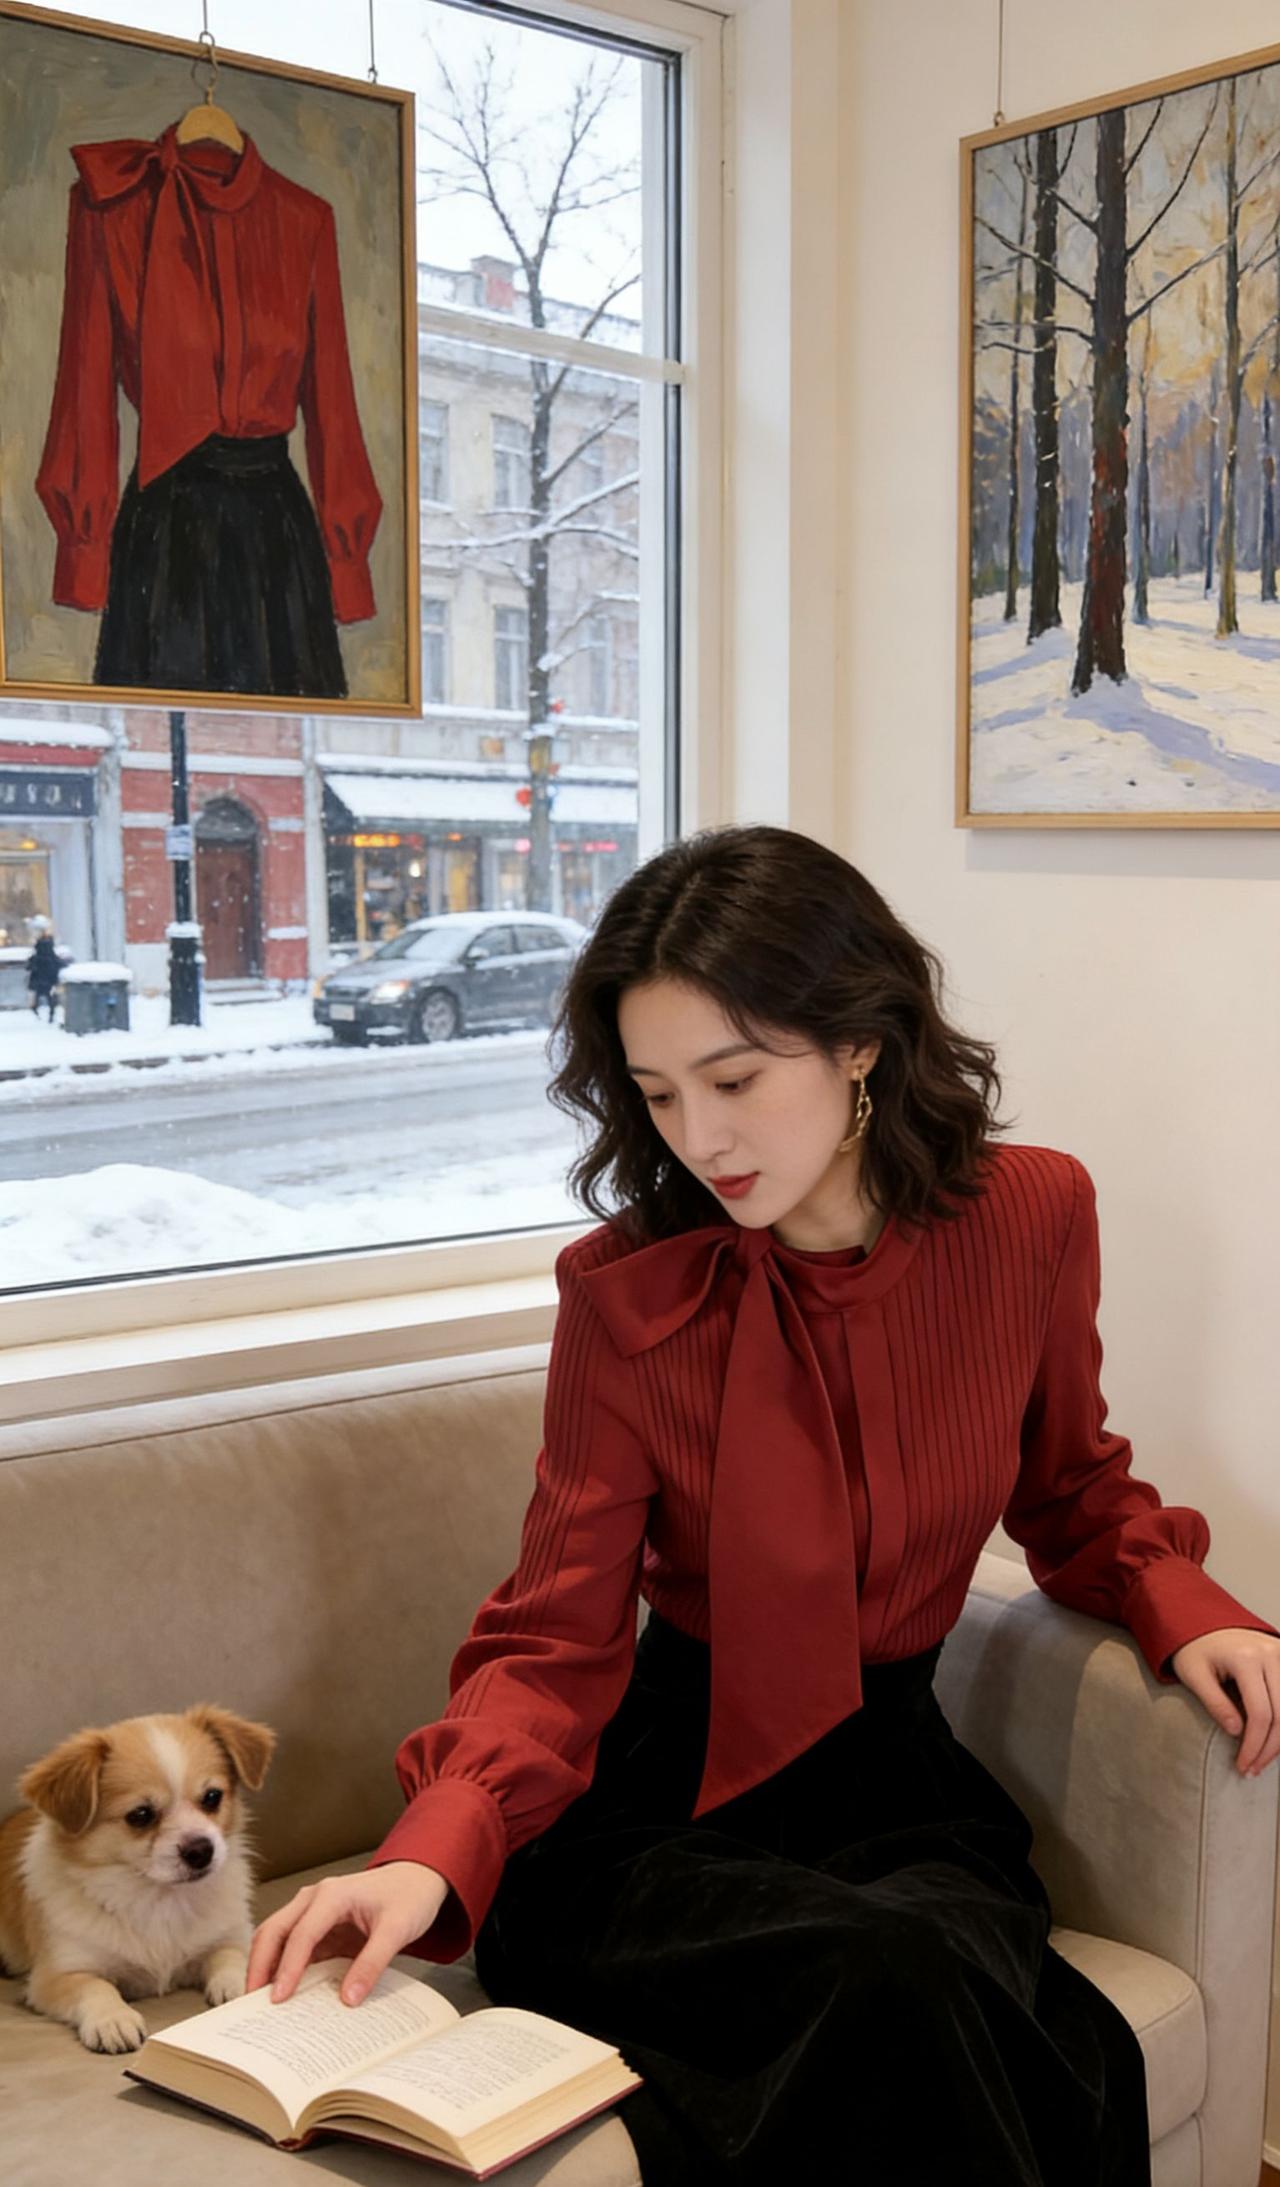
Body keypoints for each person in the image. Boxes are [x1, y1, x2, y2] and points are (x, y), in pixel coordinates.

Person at [246, 825, 1280, 2185]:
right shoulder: (628, 1294)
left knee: (926, 1972)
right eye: (658, 1093)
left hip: (894, 1788)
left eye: (733, 1078)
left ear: (859, 1040)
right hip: (648, 1811)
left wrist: (1179, 1601)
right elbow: (552, 1634)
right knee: (909, 1986)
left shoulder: (1030, 1215)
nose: (699, 1136)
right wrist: (431, 1853)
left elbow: (1072, 1482)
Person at [26, 926, 62, 1023]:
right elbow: (58, 964)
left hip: (38, 979)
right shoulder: (51, 954)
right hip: (50, 979)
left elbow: (29, 967)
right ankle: (51, 1015)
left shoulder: (37, 956)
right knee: (50, 997)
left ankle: (37, 1011)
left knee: (38, 996)